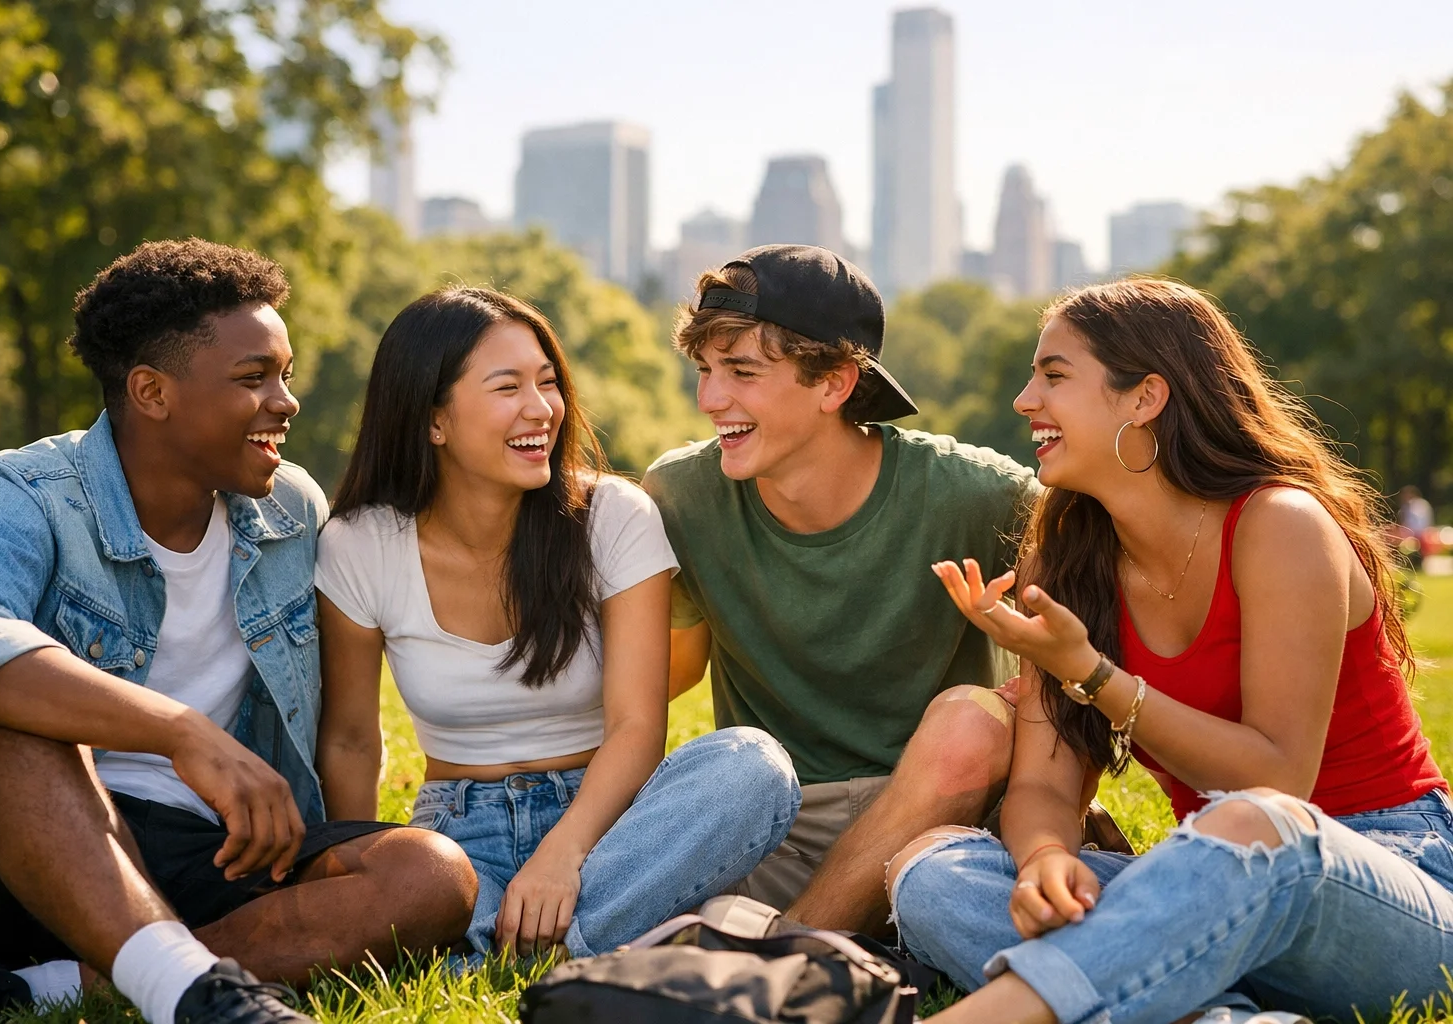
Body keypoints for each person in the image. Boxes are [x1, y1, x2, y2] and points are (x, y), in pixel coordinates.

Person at [0, 240, 477, 1024]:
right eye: (255, 378)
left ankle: (73, 983)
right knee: (11, 716)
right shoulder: (25, 492)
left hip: (208, 848)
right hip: (19, 844)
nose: (286, 401)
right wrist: (182, 733)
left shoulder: (293, 511)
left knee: (431, 873)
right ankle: (203, 997)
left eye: (285, 374)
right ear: (152, 391)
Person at [888, 278, 1450, 1024]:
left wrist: (1091, 673)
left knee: (1252, 826)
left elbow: (1277, 780)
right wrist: (1045, 860)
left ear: (1145, 397)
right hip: (1202, 876)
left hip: (1378, 874)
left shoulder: (1279, 525)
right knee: (933, 872)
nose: (1026, 400)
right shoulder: (1068, 557)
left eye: (1054, 376)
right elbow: (1044, 789)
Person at [314, 286, 799, 961]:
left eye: (548, 383)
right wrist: (366, 876)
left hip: (611, 824)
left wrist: (562, 856)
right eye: (507, 386)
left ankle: (500, 952)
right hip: (459, 837)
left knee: (752, 766)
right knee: (427, 888)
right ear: (433, 420)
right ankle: (587, 943)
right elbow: (349, 742)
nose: (541, 409)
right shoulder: (360, 544)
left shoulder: (613, 516)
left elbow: (637, 726)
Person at [643, 245, 1048, 936]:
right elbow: (661, 675)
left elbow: (1099, 587)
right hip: (773, 826)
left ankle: (788, 948)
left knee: (971, 724)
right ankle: (826, 935)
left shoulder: (976, 494)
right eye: (706, 371)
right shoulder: (680, 494)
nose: (710, 399)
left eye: (742, 371)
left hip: (934, 819)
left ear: (834, 384)